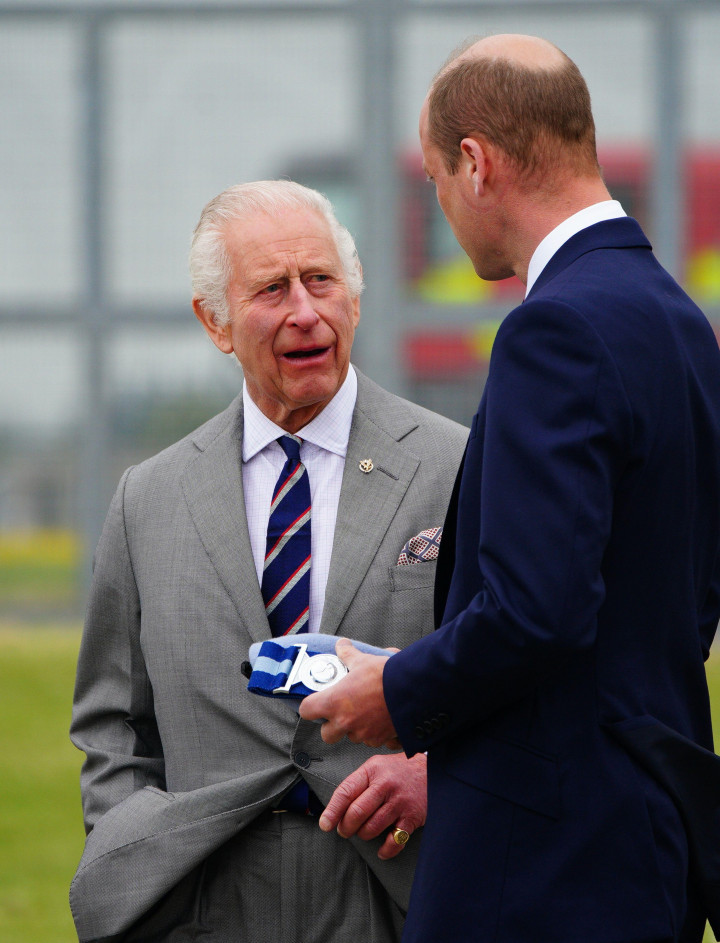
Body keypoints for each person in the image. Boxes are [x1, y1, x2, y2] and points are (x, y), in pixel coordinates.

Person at [300, 34, 720, 943]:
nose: (440, 201)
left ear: (475, 163)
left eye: (434, 176)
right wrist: (453, 761)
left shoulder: (555, 331)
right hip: (646, 834)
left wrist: (397, 690)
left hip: (547, 862)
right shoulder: (678, 319)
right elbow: (677, 607)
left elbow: (538, 611)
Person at [69, 180, 467, 943]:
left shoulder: (459, 467)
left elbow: (514, 670)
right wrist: (135, 854)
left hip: (401, 891)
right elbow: (112, 722)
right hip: (203, 901)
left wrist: (436, 778)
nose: (305, 311)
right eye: (271, 289)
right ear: (214, 322)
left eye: (321, 280)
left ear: (354, 298)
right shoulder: (146, 499)